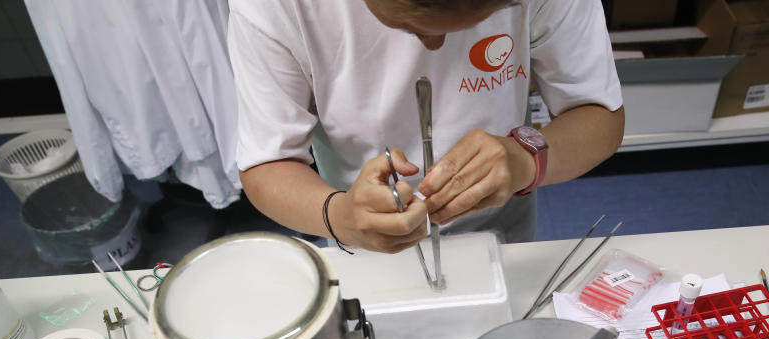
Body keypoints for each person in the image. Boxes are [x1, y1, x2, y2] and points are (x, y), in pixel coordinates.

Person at [227, 0, 624, 253]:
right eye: (409, 26)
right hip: (359, 233)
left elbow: (600, 117)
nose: (434, 49)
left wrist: (523, 158)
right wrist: (343, 216)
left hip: (502, 227)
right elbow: (268, 163)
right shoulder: (274, 6)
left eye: (477, 18)